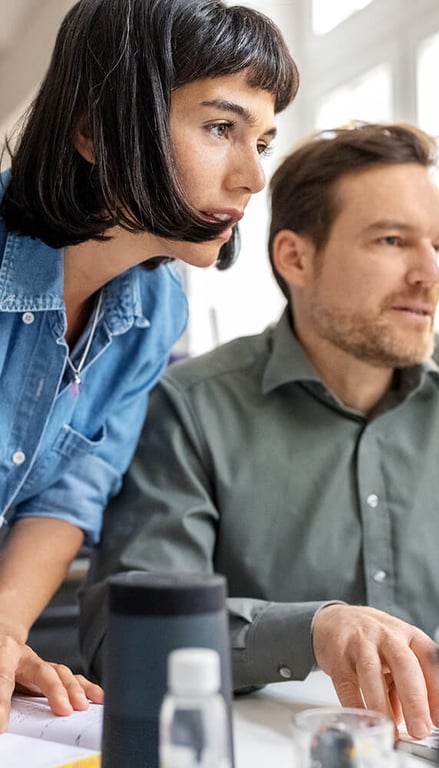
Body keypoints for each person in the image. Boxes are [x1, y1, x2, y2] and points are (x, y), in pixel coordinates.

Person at [79, 122, 439, 740]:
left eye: (438, 247)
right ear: (296, 258)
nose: (428, 274)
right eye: (393, 240)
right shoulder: (187, 407)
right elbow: (127, 637)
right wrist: (310, 632)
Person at [0, 0, 298, 732]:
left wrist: (4, 635)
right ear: (94, 130)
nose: (254, 178)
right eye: (220, 128)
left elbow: (69, 494)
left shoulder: (157, 309)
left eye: (262, 140)